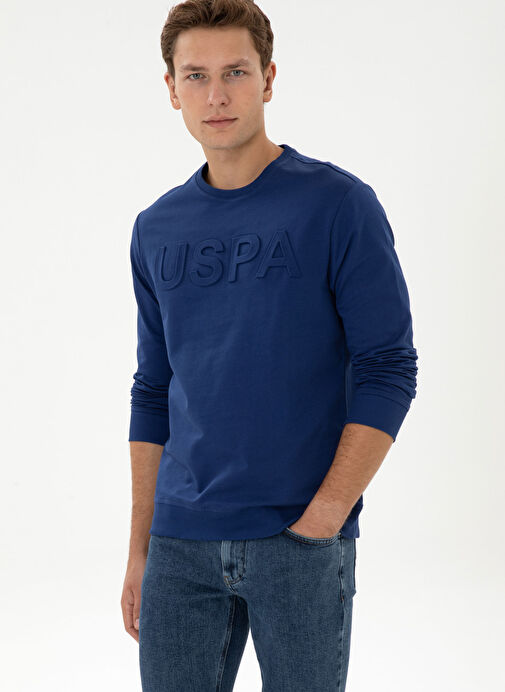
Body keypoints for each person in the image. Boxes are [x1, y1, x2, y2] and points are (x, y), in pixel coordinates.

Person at [120, 1, 418, 690]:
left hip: (299, 539)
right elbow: (153, 389)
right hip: (179, 544)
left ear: (269, 78)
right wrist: (140, 548)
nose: (216, 96)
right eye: (195, 76)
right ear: (171, 89)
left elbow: (388, 368)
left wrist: (325, 517)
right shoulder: (156, 227)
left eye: (235, 72)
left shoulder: (336, 204)